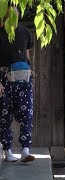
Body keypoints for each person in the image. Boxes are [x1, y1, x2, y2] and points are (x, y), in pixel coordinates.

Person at [0, 8, 35, 163]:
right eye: (10, 13)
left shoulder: (25, 31)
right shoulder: (0, 32)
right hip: (4, 78)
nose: (13, 14)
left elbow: (26, 52)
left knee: (26, 114)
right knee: (4, 115)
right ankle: (7, 151)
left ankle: (25, 150)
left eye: (15, 12)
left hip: (23, 77)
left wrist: (28, 68)